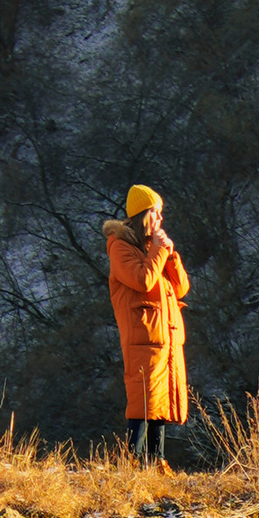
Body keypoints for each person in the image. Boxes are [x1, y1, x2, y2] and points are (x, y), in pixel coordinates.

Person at [105, 182, 192, 460]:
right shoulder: (120, 247)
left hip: (164, 338)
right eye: (156, 211)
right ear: (143, 215)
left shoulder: (152, 249)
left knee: (159, 401)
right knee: (142, 400)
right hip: (142, 338)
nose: (161, 218)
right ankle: (132, 462)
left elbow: (181, 288)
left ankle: (157, 463)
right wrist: (159, 251)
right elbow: (142, 280)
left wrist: (171, 254)